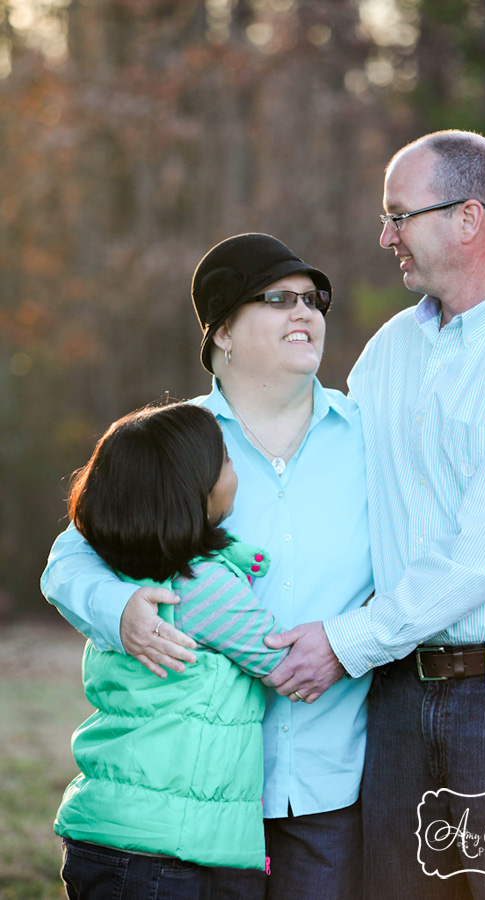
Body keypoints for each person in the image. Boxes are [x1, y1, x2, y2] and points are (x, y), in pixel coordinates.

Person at [262, 131, 485, 898]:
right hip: (400, 697)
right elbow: (329, 494)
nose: (385, 237)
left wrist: (346, 642)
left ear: (469, 218)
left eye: (399, 216)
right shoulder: (387, 353)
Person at [42, 234, 374, 900]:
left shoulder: (372, 435)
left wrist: (355, 640)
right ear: (222, 330)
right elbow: (70, 555)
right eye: (278, 299)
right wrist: (121, 610)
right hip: (183, 796)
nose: (304, 312)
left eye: (314, 299)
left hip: (332, 782)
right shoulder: (168, 443)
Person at [55, 401, 292, 899]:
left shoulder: (125, 568)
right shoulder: (200, 584)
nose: (235, 470)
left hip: (114, 838)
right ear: (193, 490)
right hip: (166, 854)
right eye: (225, 459)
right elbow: (284, 662)